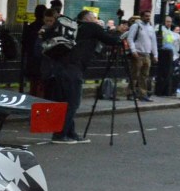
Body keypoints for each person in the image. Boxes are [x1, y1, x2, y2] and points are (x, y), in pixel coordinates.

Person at [41, 9, 122, 144]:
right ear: (87, 18)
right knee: (73, 102)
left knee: (64, 101)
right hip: (74, 68)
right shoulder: (91, 27)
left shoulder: (72, 28)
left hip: (60, 67)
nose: (96, 20)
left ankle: (70, 132)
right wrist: (121, 37)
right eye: (94, 17)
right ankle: (60, 135)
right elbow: (111, 40)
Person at [124, 13, 156, 101]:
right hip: (138, 53)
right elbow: (130, 38)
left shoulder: (150, 28)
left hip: (147, 54)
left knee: (144, 75)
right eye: (146, 16)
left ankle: (143, 94)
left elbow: (153, 42)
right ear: (142, 17)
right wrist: (133, 50)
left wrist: (155, 54)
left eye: (149, 16)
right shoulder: (136, 26)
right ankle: (130, 93)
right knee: (134, 74)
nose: (148, 18)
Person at [21, 4, 47, 97]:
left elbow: (24, 43)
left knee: (34, 83)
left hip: (31, 59)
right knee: (41, 84)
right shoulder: (45, 28)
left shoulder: (30, 27)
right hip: (42, 60)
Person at [155, 16, 179, 95]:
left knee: (168, 74)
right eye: (167, 21)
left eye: (170, 22)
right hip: (163, 53)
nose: (169, 23)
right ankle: (161, 91)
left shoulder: (169, 31)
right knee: (163, 73)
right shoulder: (159, 28)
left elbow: (169, 42)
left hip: (169, 54)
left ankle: (166, 91)